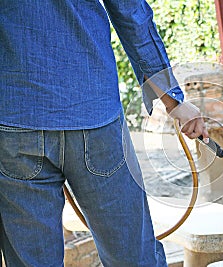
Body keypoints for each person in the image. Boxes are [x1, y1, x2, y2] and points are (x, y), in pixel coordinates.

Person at [0, 0, 208, 266]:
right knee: (133, 259)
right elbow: (132, 14)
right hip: (94, 115)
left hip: (16, 119)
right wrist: (173, 100)